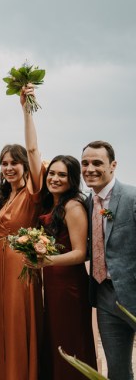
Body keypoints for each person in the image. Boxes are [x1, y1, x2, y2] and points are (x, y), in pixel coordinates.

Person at [0, 85, 45, 380]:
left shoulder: (33, 191)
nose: (8, 168)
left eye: (13, 163)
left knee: (17, 323)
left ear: (24, 165)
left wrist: (26, 109)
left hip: (21, 265)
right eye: (3, 164)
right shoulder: (2, 197)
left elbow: (33, 150)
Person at [29, 154, 96, 379]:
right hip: (54, 283)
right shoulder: (53, 204)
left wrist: (46, 261)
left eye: (62, 175)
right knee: (55, 337)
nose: (55, 178)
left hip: (70, 286)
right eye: (52, 173)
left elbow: (80, 253)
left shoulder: (73, 206)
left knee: (70, 338)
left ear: (72, 179)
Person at [81, 140, 136, 380]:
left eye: (97, 163)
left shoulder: (132, 197)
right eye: (85, 163)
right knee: (118, 370)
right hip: (104, 296)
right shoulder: (86, 202)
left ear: (113, 165)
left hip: (133, 291)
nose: (89, 168)